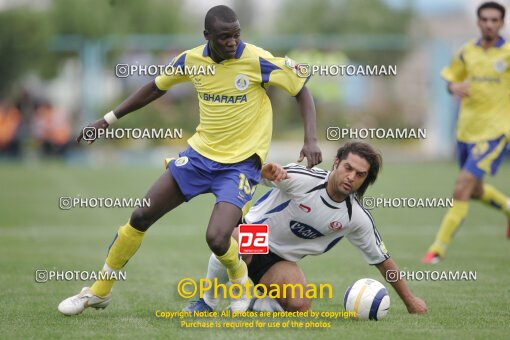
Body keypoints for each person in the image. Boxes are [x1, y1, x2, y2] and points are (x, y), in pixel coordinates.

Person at [58, 5, 321, 315]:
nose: (232, 42)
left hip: (240, 165)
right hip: (198, 158)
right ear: (207, 36)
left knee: (218, 236)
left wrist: (311, 139)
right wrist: (106, 120)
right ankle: (99, 292)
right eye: (224, 37)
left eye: (236, 35)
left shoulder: (257, 60)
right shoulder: (191, 60)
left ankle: (235, 281)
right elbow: (155, 88)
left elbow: (301, 89)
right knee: (141, 216)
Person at [185, 142, 427, 314]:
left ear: (365, 180)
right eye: (348, 168)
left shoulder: (356, 218)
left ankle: (252, 304)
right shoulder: (305, 179)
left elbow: (382, 259)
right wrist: (265, 170)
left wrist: (410, 301)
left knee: (300, 305)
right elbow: (259, 175)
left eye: (360, 174)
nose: (351, 176)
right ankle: (207, 301)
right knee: (239, 238)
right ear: (336, 164)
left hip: (279, 261)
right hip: (254, 236)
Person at [423, 1, 510, 264]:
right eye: (485, 19)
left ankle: (437, 249)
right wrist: (453, 88)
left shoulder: (507, 53)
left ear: (502, 23)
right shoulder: (466, 52)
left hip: (495, 132)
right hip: (465, 132)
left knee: (461, 187)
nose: (489, 24)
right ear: (478, 22)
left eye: (495, 20)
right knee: (474, 190)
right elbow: (451, 78)